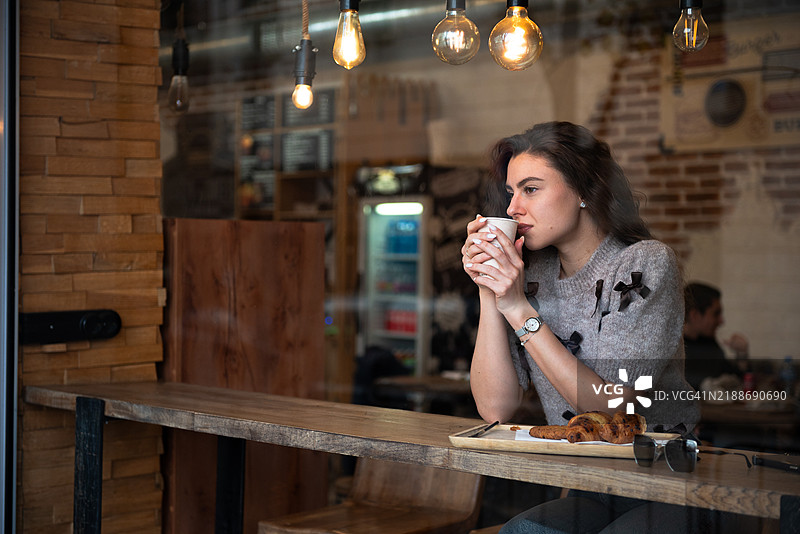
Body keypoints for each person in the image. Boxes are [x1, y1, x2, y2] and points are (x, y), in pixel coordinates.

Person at [461, 122, 709, 533]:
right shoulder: (532, 275)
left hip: (668, 478)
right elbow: (494, 408)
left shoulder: (645, 265)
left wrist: (519, 307)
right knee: (522, 532)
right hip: (587, 482)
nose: (512, 209)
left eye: (531, 189)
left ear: (582, 190)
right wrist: (492, 289)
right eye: (511, 192)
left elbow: (612, 406)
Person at [683, 282, 748, 390]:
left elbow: (738, 380)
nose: (721, 321)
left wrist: (742, 354)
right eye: (716, 314)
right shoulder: (671, 348)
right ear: (695, 315)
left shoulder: (710, 344)